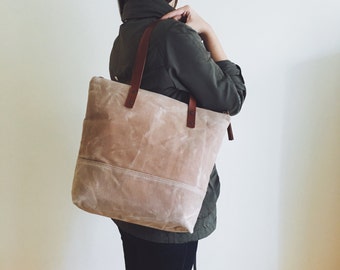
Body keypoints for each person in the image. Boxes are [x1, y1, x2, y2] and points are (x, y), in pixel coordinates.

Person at [109, 0, 246, 269]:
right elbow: (231, 98)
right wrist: (208, 31)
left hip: (129, 198)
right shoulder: (173, 36)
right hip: (169, 208)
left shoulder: (125, 36)